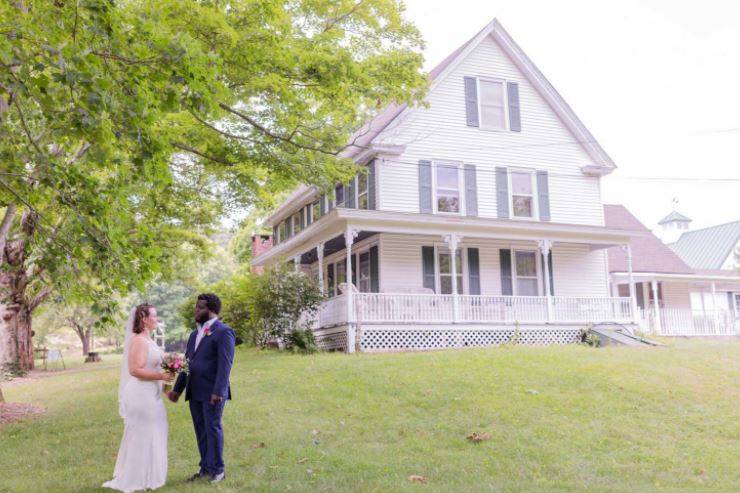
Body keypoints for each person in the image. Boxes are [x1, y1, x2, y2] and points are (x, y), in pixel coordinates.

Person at [103, 304, 173, 492]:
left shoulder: (148, 339)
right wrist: (161, 376)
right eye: (154, 316)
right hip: (142, 395)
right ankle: (136, 478)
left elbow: (154, 363)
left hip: (152, 394)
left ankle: (150, 476)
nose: (156, 319)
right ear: (143, 318)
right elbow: (135, 370)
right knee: (143, 433)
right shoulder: (139, 341)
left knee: (154, 431)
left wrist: (172, 366)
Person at [168, 293, 236, 484]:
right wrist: (177, 389)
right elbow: (187, 364)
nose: (196, 311)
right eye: (196, 307)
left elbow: (226, 365)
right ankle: (205, 468)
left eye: (200, 308)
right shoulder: (193, 334)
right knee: (201, 430)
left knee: (212, 428)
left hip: (212, 391)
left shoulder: (224, 332)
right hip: (194, 389)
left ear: (211, 310)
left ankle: (218, 470)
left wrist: (219, 392)